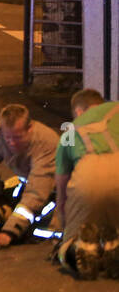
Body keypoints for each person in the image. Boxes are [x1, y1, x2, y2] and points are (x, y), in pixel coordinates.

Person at [0, 104, 57, 248]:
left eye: (17, 137)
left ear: (30, 129)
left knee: (43, 228)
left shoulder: (45, 144)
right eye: (8, 137)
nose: (12, 143)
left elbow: (36, 193)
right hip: (28, 181)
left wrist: (9, 232)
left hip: (56, 189)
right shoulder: (0, 136)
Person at [53, 88, 119, 279]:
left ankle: (78, 247)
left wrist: (66, 228)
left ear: (79, 112)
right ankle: (113, 245)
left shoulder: (69, 133)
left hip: (89, 175)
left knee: (68, 243)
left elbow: (62, 194)